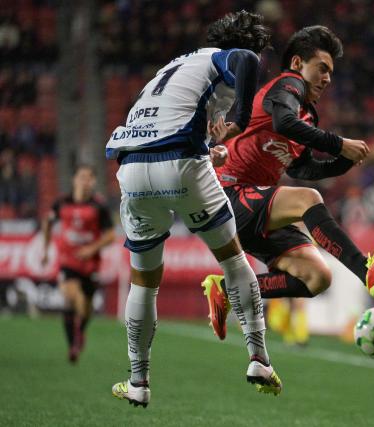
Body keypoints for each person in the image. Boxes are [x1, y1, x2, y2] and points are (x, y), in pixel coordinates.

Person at [105, 11, 281, 407]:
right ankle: (259, 358)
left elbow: (173, 119)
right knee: (234, 261)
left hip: (132, 170)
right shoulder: (226, 58)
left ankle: (138, 382)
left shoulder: (176, 66)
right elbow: (247, 62)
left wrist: (210, 151)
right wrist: (239, 120)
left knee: (143, 282)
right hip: (180, 165)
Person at [200, 25, 374, 341]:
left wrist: (345, 160)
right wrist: (339, 144)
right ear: (297, 64)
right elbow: (284, 123)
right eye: (322, 68)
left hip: (254, 208)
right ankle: (367, 271)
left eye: (331, 72)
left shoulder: (306, 115)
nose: (327, 78)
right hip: (228, 194)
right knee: (308, 199)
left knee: (317, 277)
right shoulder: (286, 86)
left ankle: (226, 290)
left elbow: (304, 168)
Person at [41, 165, 115, 363]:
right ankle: (73, 345)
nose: (85, 181)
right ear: (74, 179)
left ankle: (80, 331)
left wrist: (91, 249)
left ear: (94, 182)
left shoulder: (99, 206)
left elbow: (110, 236)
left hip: (90, 263)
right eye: (82, 177)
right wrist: (45, 249)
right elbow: (48, 222)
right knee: (70, 295)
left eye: (89, 178)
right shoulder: (61, 203)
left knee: (86, 305)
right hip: (68, 260)